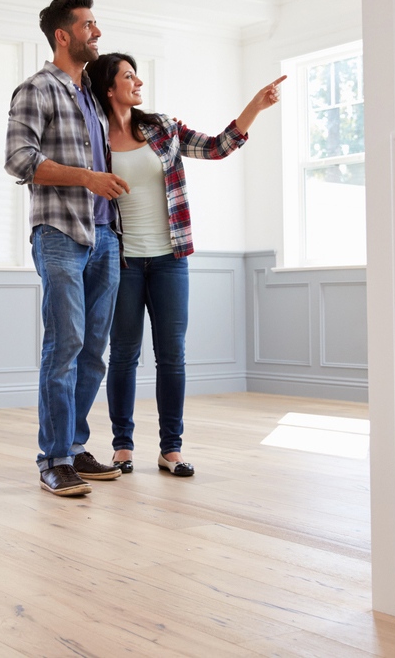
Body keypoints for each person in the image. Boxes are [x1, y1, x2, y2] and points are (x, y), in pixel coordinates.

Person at [85, 52, 286, 477]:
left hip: (170, 258)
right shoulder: (93, 137)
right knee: (122, 355)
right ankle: (122, 447)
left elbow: (216, 148)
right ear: (109, 88)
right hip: (120, 260)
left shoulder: (161, 128)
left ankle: (170, 449)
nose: (138, 82)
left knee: (171, 356)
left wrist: (254, 107)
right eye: (128, 76)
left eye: (137, 75)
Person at [4, 0, 131, 497]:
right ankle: (53, 458)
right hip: (60, 233)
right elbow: (19, 160)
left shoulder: (92, 100)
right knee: (65, 346)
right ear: (63, 34)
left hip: (105, 236)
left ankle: (75, 447)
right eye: (89, 25)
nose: (96, 33)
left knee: (94, 352)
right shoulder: (36, 90)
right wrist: (86, 178)